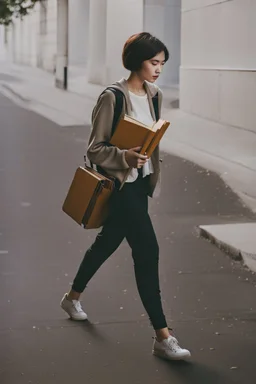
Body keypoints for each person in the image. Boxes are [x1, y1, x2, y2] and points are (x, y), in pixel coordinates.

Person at [60, 32, 191, 361]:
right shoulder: (112, 97)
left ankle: (71, 296)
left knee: (107, 242)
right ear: (136, 61)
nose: (159, 69)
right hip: (119, 187)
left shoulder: (154, 94)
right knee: (147, 250)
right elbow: (95, 148)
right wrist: (125, 158)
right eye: (153, 62)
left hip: (139, 185)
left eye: (162, 63)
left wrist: (144, 163)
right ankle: (163, 336)